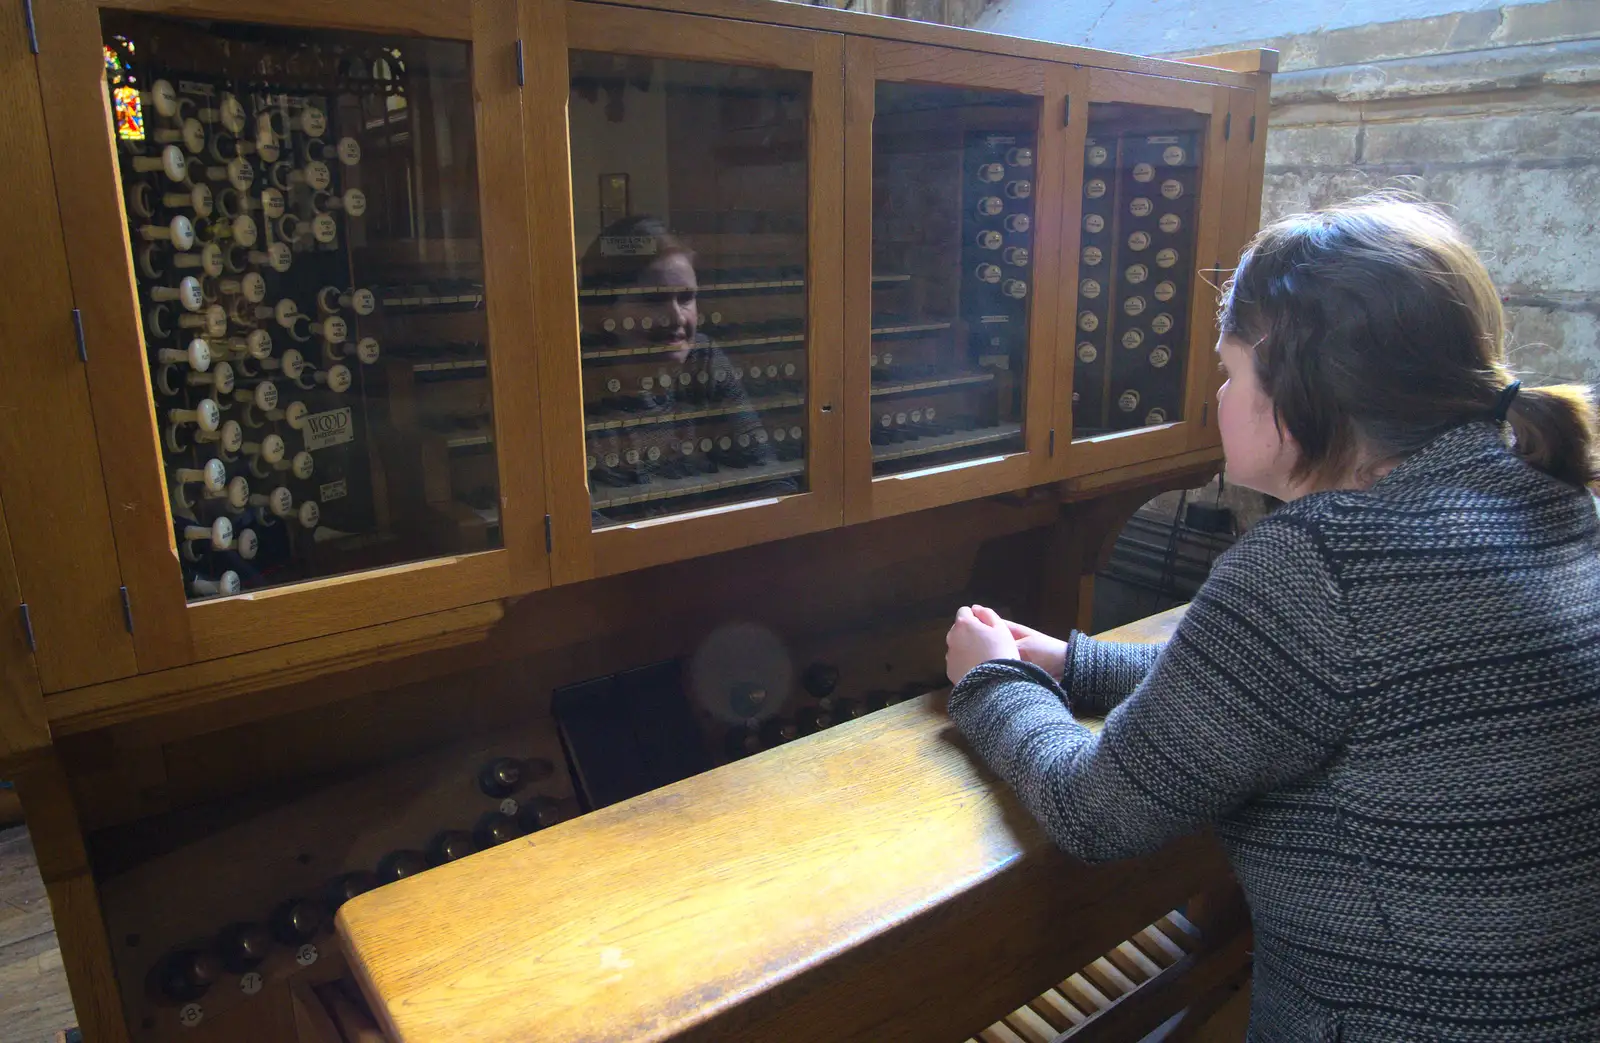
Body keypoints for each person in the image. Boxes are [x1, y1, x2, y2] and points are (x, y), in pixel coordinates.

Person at [943, 195, 1600, 1041]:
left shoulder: (1320, 560)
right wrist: (1079, 666)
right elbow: (1334, 690)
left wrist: (990, 680)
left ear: (1290, 391)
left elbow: (1096, 811)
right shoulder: (1545, 500)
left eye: (1229, 371)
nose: (1218, 394)